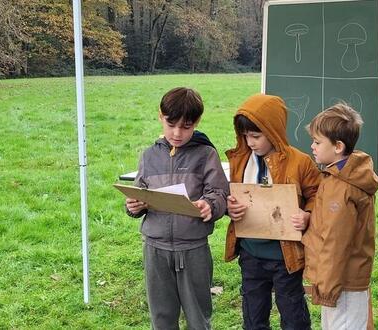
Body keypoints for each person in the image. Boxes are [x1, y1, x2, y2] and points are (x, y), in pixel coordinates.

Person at [125, 87, 229, 330]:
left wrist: (210, 205)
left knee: (197, 316)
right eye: (171, 124)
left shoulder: (206, 154)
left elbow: (219, 192)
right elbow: (139, 192)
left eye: (186, 127)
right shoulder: (149, 156)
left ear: (197, 122)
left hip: (193, 250)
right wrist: (134, 206)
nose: (177, 133)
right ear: (160, 116)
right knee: (161, 317)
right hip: (155, 249)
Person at [224, 93, 320, 330]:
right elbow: (229, 195)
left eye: (256, 136)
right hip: (250, 255)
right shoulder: (240, 160)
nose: (250, 142)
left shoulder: (300, 162)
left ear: (274, 131)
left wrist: (308, 215)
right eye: (245, 136)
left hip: (284, 257)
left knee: (293, 316)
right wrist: (230, 209)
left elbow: (318, 197)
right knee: (253, 317)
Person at [302, 103, 378, 330]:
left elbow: (336, 241)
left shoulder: (342, 187)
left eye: (317, 142)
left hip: (342, 283)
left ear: (338, 146)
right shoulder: (336, 175)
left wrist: (326, 287)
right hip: (339, 279)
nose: (312, 146)